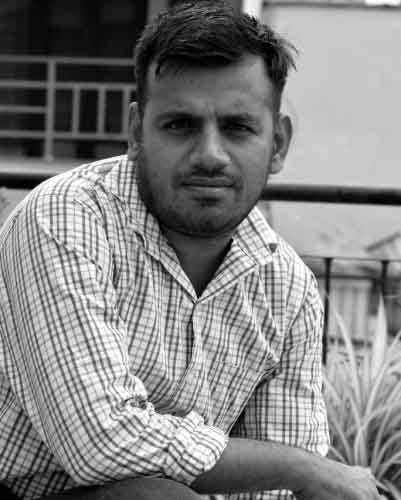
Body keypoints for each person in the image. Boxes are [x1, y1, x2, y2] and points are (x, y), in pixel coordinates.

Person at [0, 1, 382, 500]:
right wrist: (304, 469)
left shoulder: (286, 288)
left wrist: (300, 473)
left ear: (278, 145)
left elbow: (277, 487)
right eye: (180, 125)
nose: (210, 155)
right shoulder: (66, 218)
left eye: (238, 127)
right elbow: (102, 442)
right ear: (136, 132)